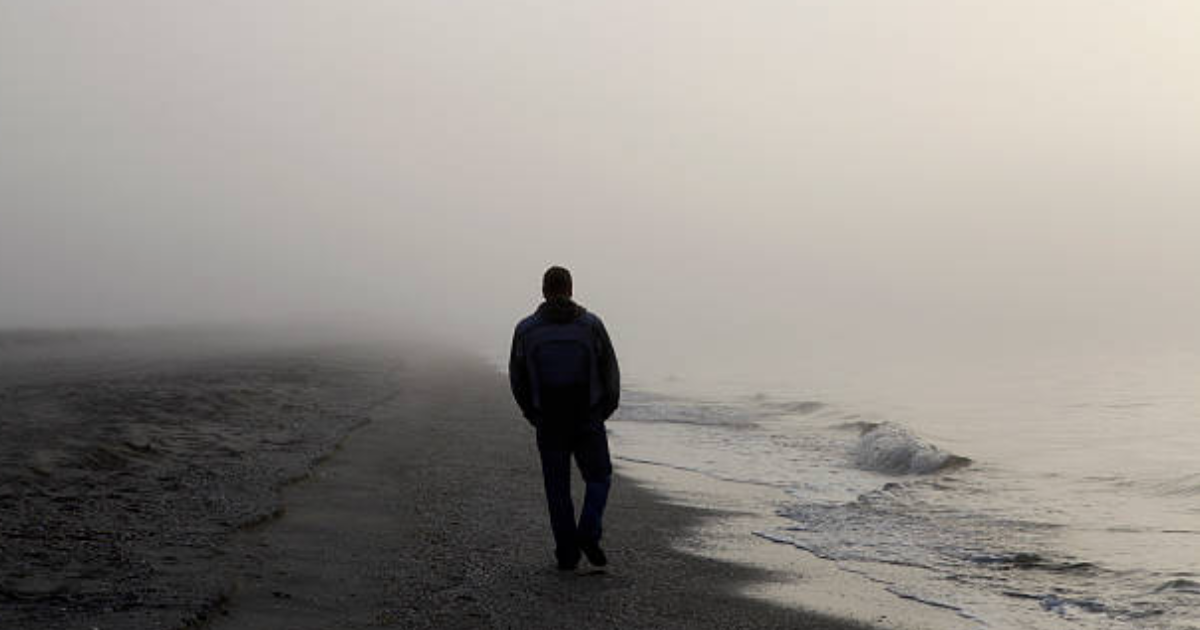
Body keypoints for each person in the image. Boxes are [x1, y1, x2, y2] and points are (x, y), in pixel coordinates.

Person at [509, 266, 620, 570]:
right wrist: (604, 409)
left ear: (544, 291)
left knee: (557, 488)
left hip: (549, 420)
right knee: (599, 478)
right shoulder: (591, 325)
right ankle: (589, 531)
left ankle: (567, 553)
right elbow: (610, 369)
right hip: (587, 417)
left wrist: (532, 413)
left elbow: (517, 377)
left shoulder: (526, 330)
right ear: (571, 289)